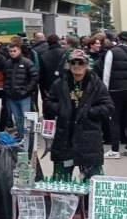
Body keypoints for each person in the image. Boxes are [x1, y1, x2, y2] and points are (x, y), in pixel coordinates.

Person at [44, 49, 113, 181]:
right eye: (73, 62)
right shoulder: (59, 83)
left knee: (92, 183)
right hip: (65, 139)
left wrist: (88, 112)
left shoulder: (96, 84)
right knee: (61, 183)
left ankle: (87, 202)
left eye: (80, 62)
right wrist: (62, 109)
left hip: (89, 140)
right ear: (69, 65)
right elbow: (48, 103)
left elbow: (108, 107)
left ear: (86, 65)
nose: (77, 66)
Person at [100, 31, 127, 159]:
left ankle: (115, 150)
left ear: (118, 39)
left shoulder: (112, 52)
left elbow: (106, 72)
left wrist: (104, 89)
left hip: (115, 90)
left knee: (114, 119)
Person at [4, 43, 38, 141]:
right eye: (10, 51)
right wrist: (6, 88)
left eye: (14, 51)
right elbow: (6, 77)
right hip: (12, 95)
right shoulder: (7, 63)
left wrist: (27, 90)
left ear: (19, 51)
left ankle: (28, 138)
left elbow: (34, 77)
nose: (12, 53)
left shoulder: (27, 62)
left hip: (24, 96)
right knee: (17, 118)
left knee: (26, 117)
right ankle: (21, 135)